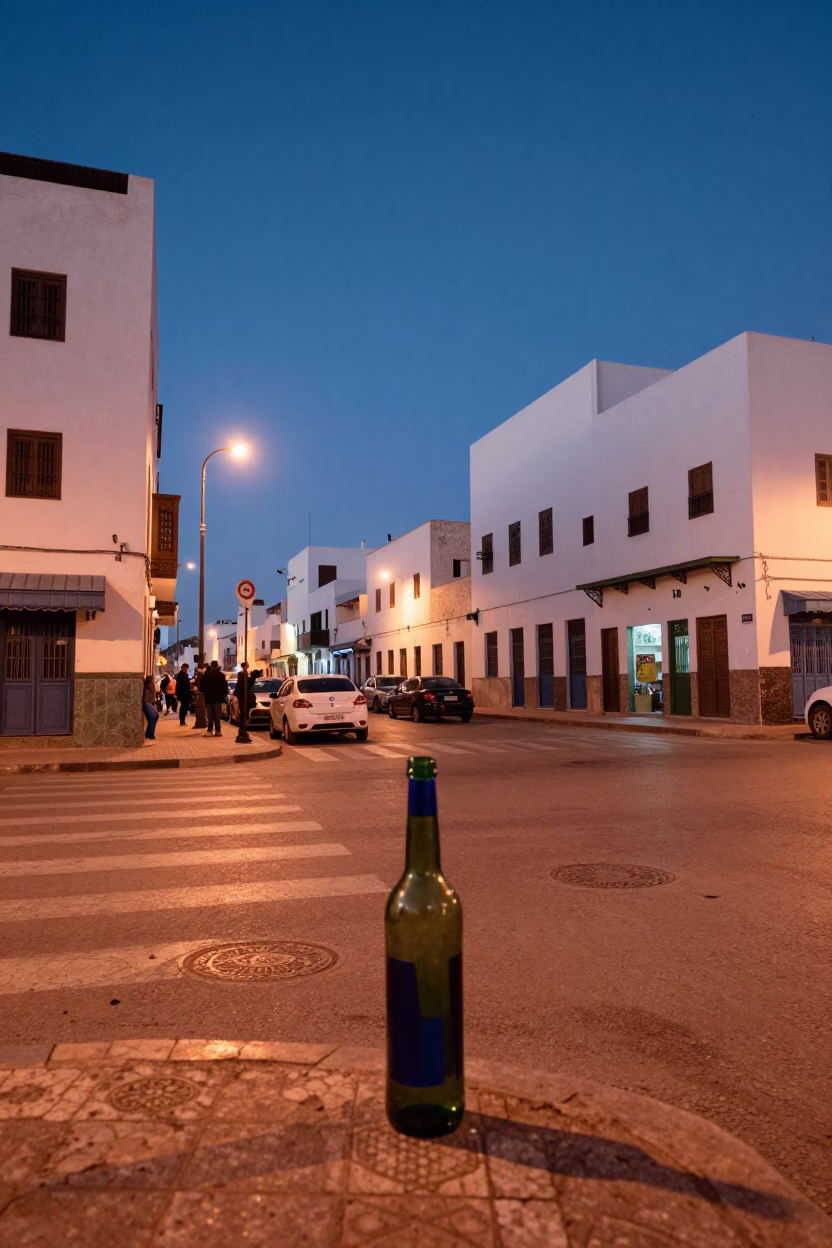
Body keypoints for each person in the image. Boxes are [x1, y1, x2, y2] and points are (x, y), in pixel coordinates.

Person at [200, 660, 229, 737]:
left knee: (210, 715)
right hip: (218, 698)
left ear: (211, 666)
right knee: (217, 715)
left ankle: (210, 730)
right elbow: (225, 688)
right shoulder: (221, 675)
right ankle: (218, 730)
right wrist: (223, 695)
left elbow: (201, 688)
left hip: (209, 698)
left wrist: (206, 693)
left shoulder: (206, 675)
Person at [141, 674, 159, 741]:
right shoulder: (150, 685)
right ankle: (150, 735)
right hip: (147, 704)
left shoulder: (147, 685)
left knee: (153, 718)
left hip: (147, 703)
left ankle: (149, 734)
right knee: (154, 717)